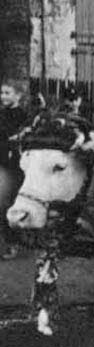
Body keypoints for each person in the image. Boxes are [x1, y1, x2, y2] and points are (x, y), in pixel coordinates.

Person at [0, 78, 29, 260]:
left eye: (7, 93)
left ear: (18, 95)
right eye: (1, 93)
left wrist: (18, 137)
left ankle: (12, 243)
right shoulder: (2, 114)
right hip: (2, 159)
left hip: (11, 165)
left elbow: (23, 139)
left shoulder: (22, 116)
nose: (2, 96)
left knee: (5, 202)